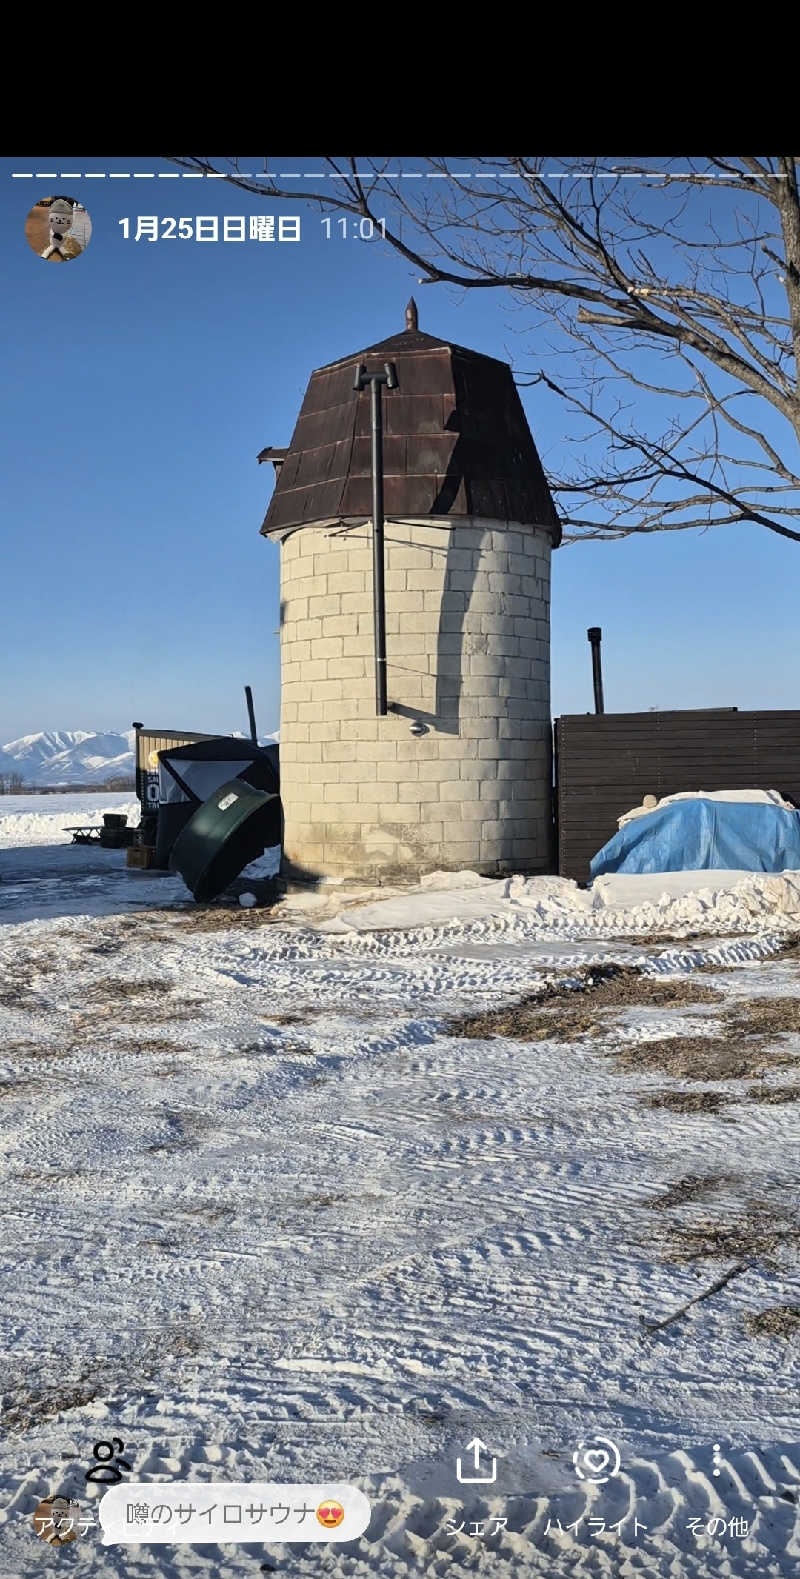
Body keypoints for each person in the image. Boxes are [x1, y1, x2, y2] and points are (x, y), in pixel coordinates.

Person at [41, 198, 83, 262]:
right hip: (53, 243)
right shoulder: (53, 228)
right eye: (56, 218)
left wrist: (60, 236)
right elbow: (52, 231)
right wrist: (54, 234)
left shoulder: (65, 229)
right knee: (49, 249)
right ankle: (45, 254)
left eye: (63, 219)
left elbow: (64, 234)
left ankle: (66, 256)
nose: (60, 220)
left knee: (63, 250)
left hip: (61, 245)